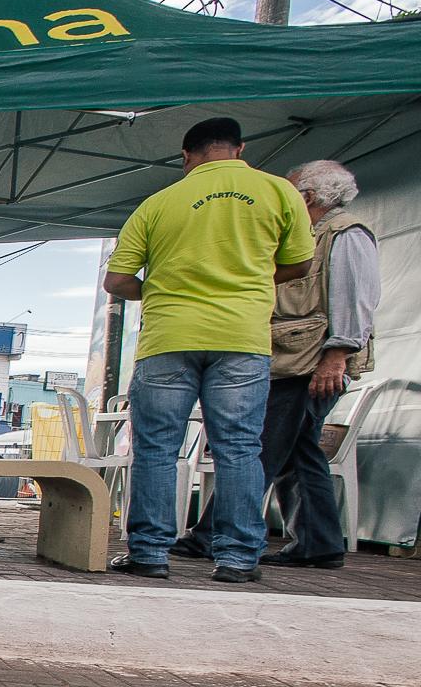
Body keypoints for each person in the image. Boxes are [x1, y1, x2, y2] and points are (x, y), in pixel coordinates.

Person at [103, 117, 313, 583]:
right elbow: (299, 262)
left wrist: (157, 288)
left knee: (156, 449)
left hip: (168, 339)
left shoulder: (159, 202)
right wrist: (252, 281)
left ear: (187, 156)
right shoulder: (280, 192)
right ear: (239, 149)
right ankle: (238, 560)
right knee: (238, 448)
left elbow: (117, 280)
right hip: (241, 339)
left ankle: (149, 555)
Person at [171, 159, 378, 570]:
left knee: (259, 447)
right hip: (294, 357)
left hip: (312, 361)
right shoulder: (310, 234)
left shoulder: (345, 233)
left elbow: (356, 300)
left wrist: (336, 355)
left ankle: (214, 534)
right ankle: (319, 543)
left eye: (288, 191)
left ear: (307, 197)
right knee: (300, 452)